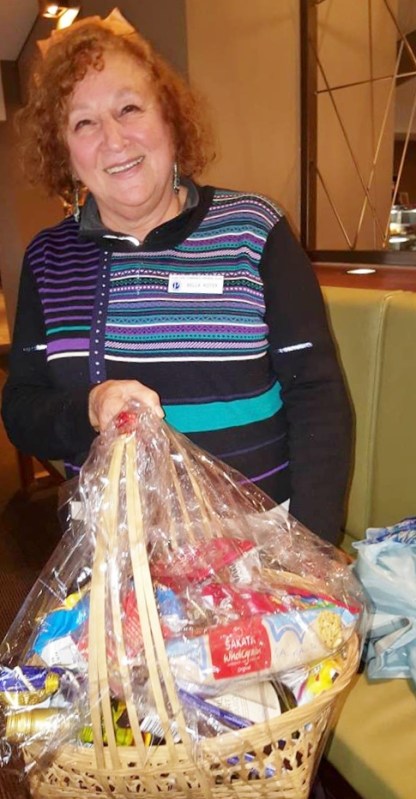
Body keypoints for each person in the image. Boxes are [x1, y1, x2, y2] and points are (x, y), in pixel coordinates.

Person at [1, 9, 352, 544]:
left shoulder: (254, 227)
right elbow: (22, 410)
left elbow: (318, 396)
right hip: (118, 555)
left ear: (168, 117)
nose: (114, 139)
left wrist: (310, 549)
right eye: (83, 123)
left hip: (259, 549)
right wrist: (89, 406)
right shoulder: (49, 258)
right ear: (65, 154)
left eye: (129, 108)